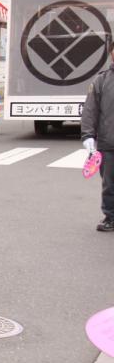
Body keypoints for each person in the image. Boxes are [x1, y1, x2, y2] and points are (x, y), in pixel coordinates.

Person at [81, 42, 114, 232]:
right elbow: (90, 111)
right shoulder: (102, 80)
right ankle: (110, 217)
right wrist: (88, 136)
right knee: (109, 184)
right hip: (108, 143)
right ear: (111, 54)